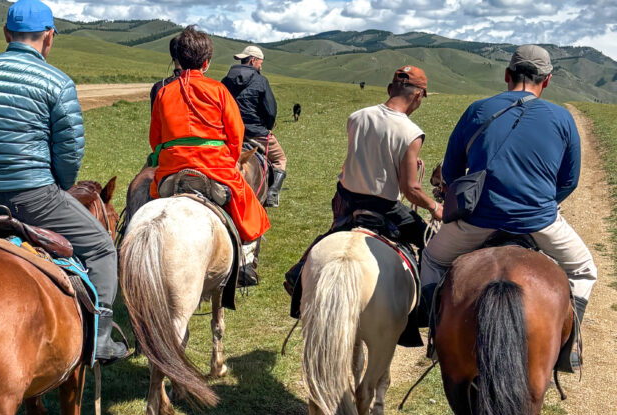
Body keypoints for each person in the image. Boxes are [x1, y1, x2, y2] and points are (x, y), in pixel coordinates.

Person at [0, 0, 128, 363]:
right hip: (35, 194)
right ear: (49, 37)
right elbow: (69, 150)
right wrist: (59, 187)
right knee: (100, 248)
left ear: (6, 33)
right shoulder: (57, 82)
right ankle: (101, 339)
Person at [420, 45, 597, 372]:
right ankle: (569, 350)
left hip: (478, 220)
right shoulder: (562, 118)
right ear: (548, 80)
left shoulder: (477, 110)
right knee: (584, 269)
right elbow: (569, 181)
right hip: (539, 221)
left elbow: (450, 173)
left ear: (506, 75)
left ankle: (435, 336)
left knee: (431, 259)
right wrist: (541, 201)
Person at [284, 64, 442, 308]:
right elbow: (411, 189)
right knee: (430, 244)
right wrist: (434, 207)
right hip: (384, 207)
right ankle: (423, 304)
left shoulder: (356, 117)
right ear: (418, 95)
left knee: (332, 234)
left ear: (391, 88)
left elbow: (370, 152)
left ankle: (298, 275)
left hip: (346, 199)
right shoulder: (411, 132)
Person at [149, 26, 270, 279]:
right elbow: (236, 136)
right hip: (215, 168)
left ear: (178, 60)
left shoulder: (163, 92)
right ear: (206, 62)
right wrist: (232, 158)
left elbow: (155, 140)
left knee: (146, 200)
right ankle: (246, 265)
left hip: (172, 169)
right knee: (249, 205)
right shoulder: (219, 91)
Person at [222, 45, 287, 207]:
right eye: (260, 63)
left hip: (229, 133)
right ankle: (271, 195)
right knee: (280, 159)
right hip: (256, 133)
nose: (261, 66)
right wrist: (267, 127)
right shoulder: (260, 80)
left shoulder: (225, 80)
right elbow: (270, 111)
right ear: (253, 60)